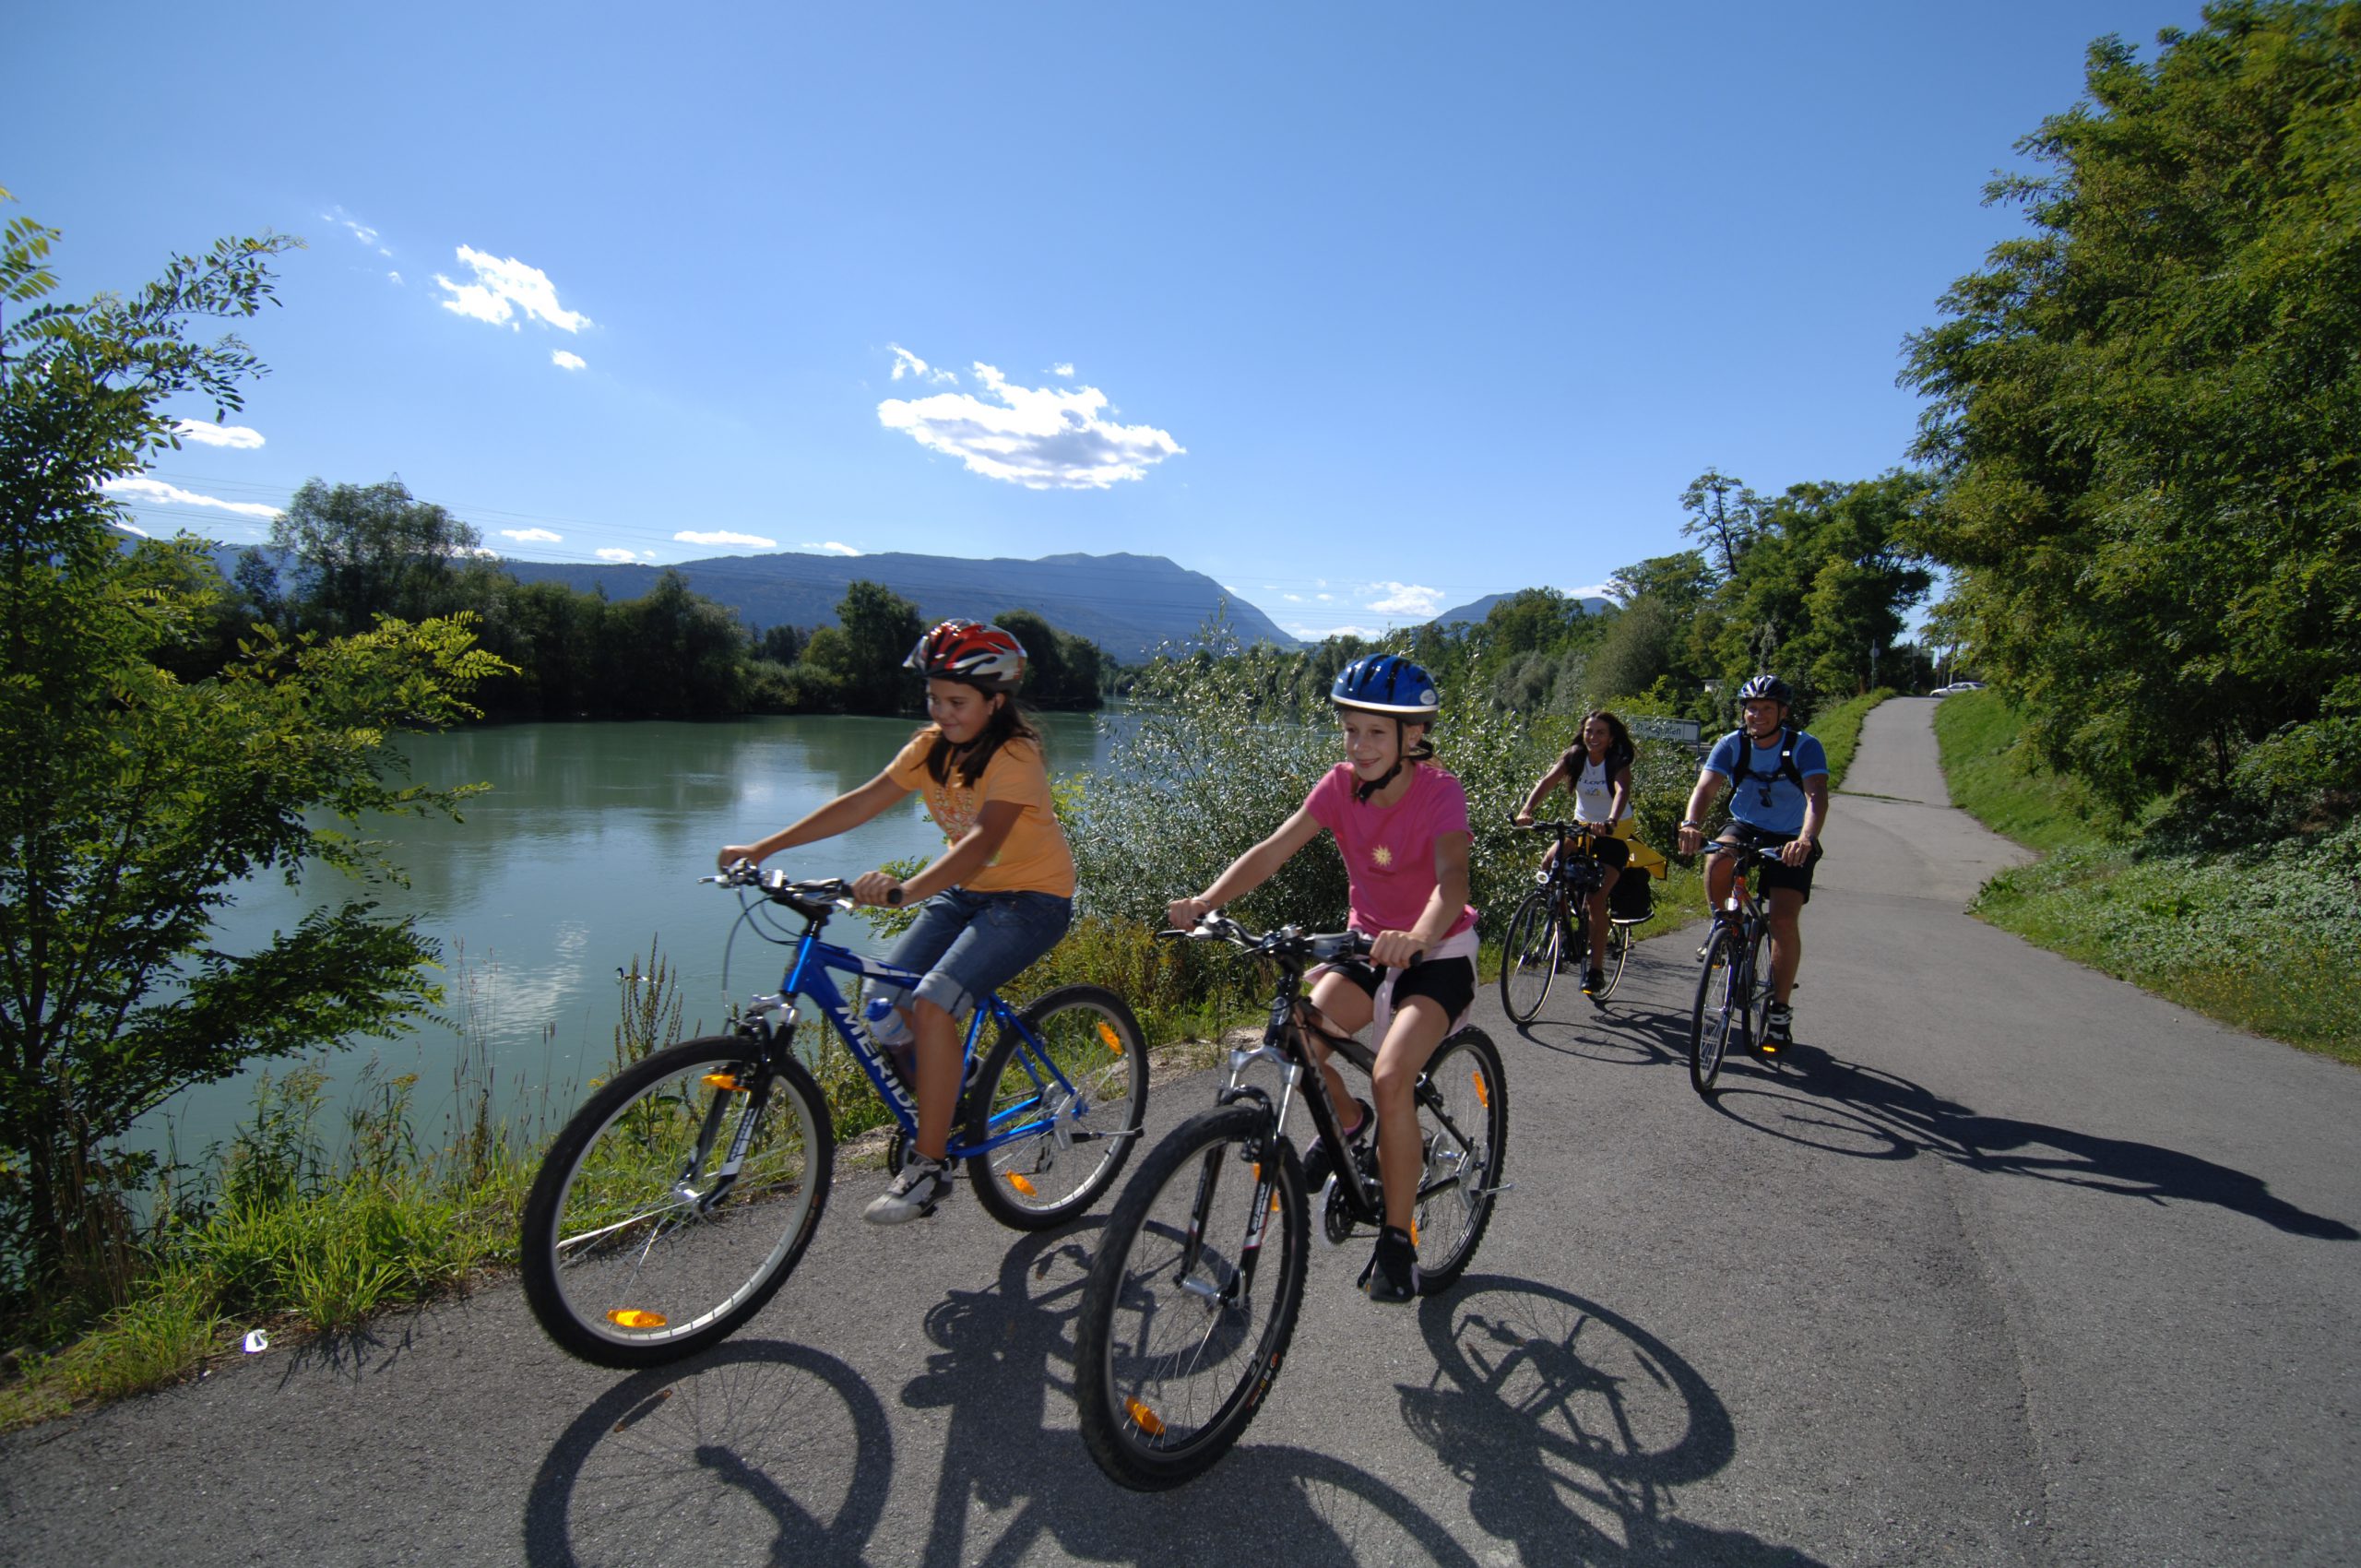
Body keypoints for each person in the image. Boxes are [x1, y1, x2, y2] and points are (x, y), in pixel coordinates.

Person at [718, 620, 1074, 1225]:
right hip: (966, 894)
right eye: (933, 697)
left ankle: (931, 1166)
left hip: (1031, 900)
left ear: (996, 701)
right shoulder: (928, 748)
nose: (942, 711)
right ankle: (953, 1095)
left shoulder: (1015, 756)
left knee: (933, 1004)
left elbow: (983, 842)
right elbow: (860, 801)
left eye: (957, 701)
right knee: (883, 1001)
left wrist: (908, 891)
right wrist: (764, 847)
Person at [1165, 653, 1477, 1304]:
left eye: (1374, 733)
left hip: (1437, 952)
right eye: (1350, 730)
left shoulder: (1440, 791)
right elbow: (1274, 850)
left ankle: (1397, 1239)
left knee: (1393, 1076)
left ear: (1412, 737)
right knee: (1293, 1039)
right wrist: (1207, 902)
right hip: (1364, 946)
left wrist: (1419, 936)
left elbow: (1452, 881)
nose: (1358, 746)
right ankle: (1352, 1123)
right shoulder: (1338, 787)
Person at [1674, 674, 1829, 1048]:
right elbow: (1706, 788)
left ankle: (1778, 1010)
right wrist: (1691, 824)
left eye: (1766, 709)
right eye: (1751, 708)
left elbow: (1816, 797)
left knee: (1782, 920)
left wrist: (1806, 839)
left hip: (1792, 835)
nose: (1757, 715)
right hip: (1745, 824)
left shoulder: (1804, 747)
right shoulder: (1732, 745)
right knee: (1719, 856)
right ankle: (1723, 924)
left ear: (1782, 713)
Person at [1513, 708, 1638, 997]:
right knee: (1549, 863)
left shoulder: (1617, 762)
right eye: (1589, 731)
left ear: (1611, 738)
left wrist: (1610, 821)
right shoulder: (1575, 756)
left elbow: (1621, 792)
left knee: (1596, 898)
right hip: (1582, 828)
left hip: (1613, 834)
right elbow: (1547, 781)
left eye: (1600, 733)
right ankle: (1562, 929)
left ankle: (1595, 970)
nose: (1593, 737)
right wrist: (1527, 810)